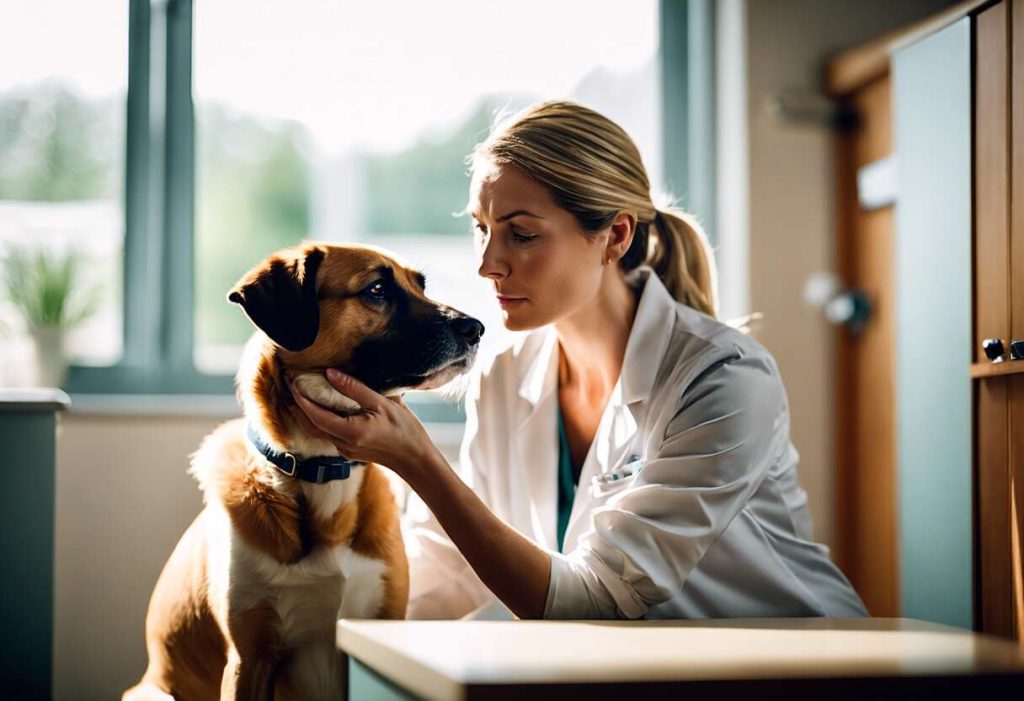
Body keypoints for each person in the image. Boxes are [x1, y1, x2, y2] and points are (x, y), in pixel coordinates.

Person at [288, 100, 868, 620]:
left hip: (799, 673)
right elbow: (449, 571)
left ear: (614, 237)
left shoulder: (723, 377)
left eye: (521, 235)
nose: (488, 263)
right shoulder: (505, 372)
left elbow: (600, 597)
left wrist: (418, 462)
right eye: (481, 229)